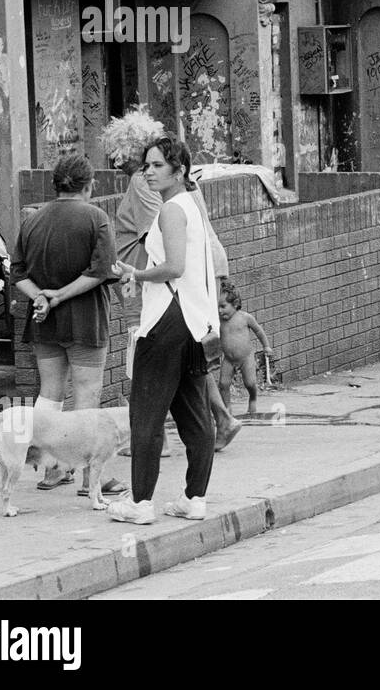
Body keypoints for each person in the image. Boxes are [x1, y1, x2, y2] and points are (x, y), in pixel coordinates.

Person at [108, 115, 242, 451]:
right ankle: (219, 421)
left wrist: (137, 275)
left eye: (118, 152)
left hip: (167, 280)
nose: (115, 161)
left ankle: (157, 436)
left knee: (149, 348)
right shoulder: (183, 180)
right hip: (200, 268)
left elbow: (166, 227)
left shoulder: (146, 183)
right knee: (190, 350)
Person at [107, 136, 220, 525]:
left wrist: (136, 273)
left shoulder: (172, 210)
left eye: (157, 165)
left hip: (168, 319)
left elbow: (173, 267)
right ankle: (195, 499)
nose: (149, 172)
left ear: (180, 170)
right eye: (147, 165)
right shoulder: (191, 204)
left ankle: (140, 504)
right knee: (195, 415)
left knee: (146, 415)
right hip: (194, 320)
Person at [10, 154, 127, 499]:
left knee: (49, 395)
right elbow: (101, 271)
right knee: (87, 396)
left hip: (43, 320)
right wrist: (59, 295)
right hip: (86, 319)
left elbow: (17, 272)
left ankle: (50, 469)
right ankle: (90, 479)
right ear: (89, 185)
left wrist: (42, 298)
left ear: (56, 184)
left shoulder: (32, 220)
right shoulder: (96, 217)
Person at [218, 281, 273, 416]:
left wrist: (266, 346)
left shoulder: (245, 318)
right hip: (228, 359)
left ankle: (253, 398)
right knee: (223, 384)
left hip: (246, 357)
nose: (220, 310)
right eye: (218, 307)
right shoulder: (219, 320)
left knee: (250, 383)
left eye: (223, 306)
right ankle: (227, 408)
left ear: (235, 304)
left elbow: (259, 331)